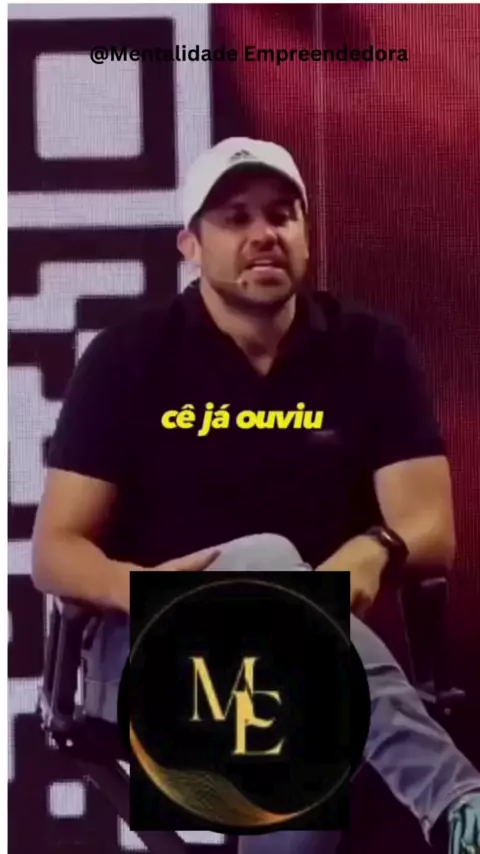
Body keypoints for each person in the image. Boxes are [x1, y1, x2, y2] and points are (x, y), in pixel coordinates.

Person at [32, 137, 480, 852]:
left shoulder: (369, 348)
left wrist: (376, 548)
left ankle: (457, 808)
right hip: (154, 663)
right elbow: (54, 552)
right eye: (235, 218)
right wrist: (147, 592)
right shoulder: (129, 357)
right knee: (267, 562)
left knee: (296, 672)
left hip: (312, 673)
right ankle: (456, 799)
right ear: (190, 245)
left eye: (281, 214)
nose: (264, 233)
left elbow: (431, 529)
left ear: (306, 233)